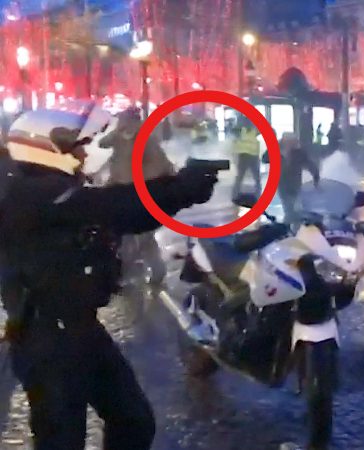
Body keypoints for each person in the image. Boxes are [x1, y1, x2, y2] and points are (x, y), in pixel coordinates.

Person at [0, 107, 219, 449]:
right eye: (76, 147)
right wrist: (181, 188)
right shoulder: (27, 193)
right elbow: (114, 206)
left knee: (134, 421)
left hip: (80, 329)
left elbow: (125, 215)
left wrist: (181, 189)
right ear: (44, 147)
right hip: (46, 339)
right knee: (61, 439)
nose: (84, 153)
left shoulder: (53, 191)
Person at [98, 107, 175, 285]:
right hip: (122, 190)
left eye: (122, 119)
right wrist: (117, 132)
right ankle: (138, 272)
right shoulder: (119, 136)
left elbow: (159, 164)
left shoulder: (145, 137)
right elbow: (102, 143)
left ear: (132, 120)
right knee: (130, 235)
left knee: (139, 236)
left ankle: (143, 273)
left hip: (140, 193)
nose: (120, 122)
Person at [266, 133, 319, 224]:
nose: (292, 144)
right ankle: (289, 228)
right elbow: (265, 158)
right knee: (289, 208)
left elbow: (310, 165)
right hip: (282, 184)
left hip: (295, 184)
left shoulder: (299, 153)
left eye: (293, 142)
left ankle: (290, 228)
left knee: (295, 209)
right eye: (290, 142)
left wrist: (316, 177)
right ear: (284, 141)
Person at [231, 123, 262, 199]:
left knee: (252, 177)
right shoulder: (243, 131)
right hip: (246, 156)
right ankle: (235, 194)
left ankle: (235, 195)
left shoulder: (253, 131)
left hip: (250, 156)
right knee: (251, 177)